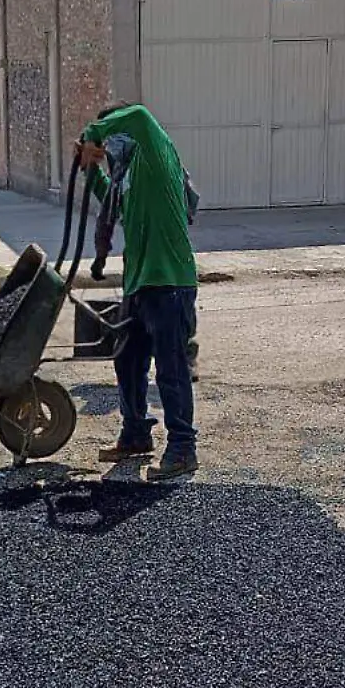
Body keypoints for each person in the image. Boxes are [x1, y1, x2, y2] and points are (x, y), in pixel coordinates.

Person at [78, 101, 198, 480]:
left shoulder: (156, 154)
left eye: (111, 140)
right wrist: (91, 169)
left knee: (171, 369)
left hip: (170, 283)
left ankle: (182, 448)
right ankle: (135, 436)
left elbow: (139, 114)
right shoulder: (129, 176)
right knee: (127, 362)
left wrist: (91, 136)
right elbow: (114, 204)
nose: (108, 150)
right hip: (140, 284)